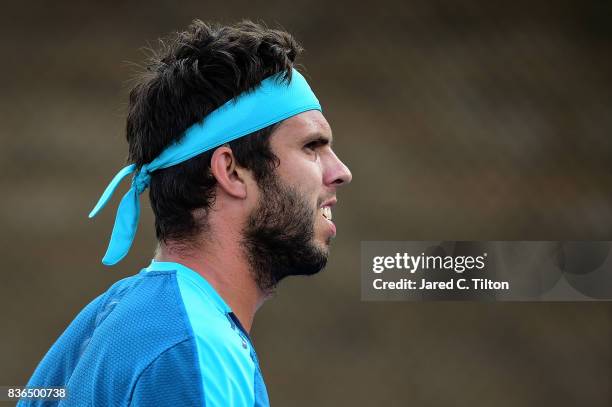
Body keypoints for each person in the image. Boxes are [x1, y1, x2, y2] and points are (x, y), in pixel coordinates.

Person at [21, 19, 351, 406]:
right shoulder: (192, 350)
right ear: (230, 171)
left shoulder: (112, 320)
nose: (340, 172)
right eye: (312, 146)